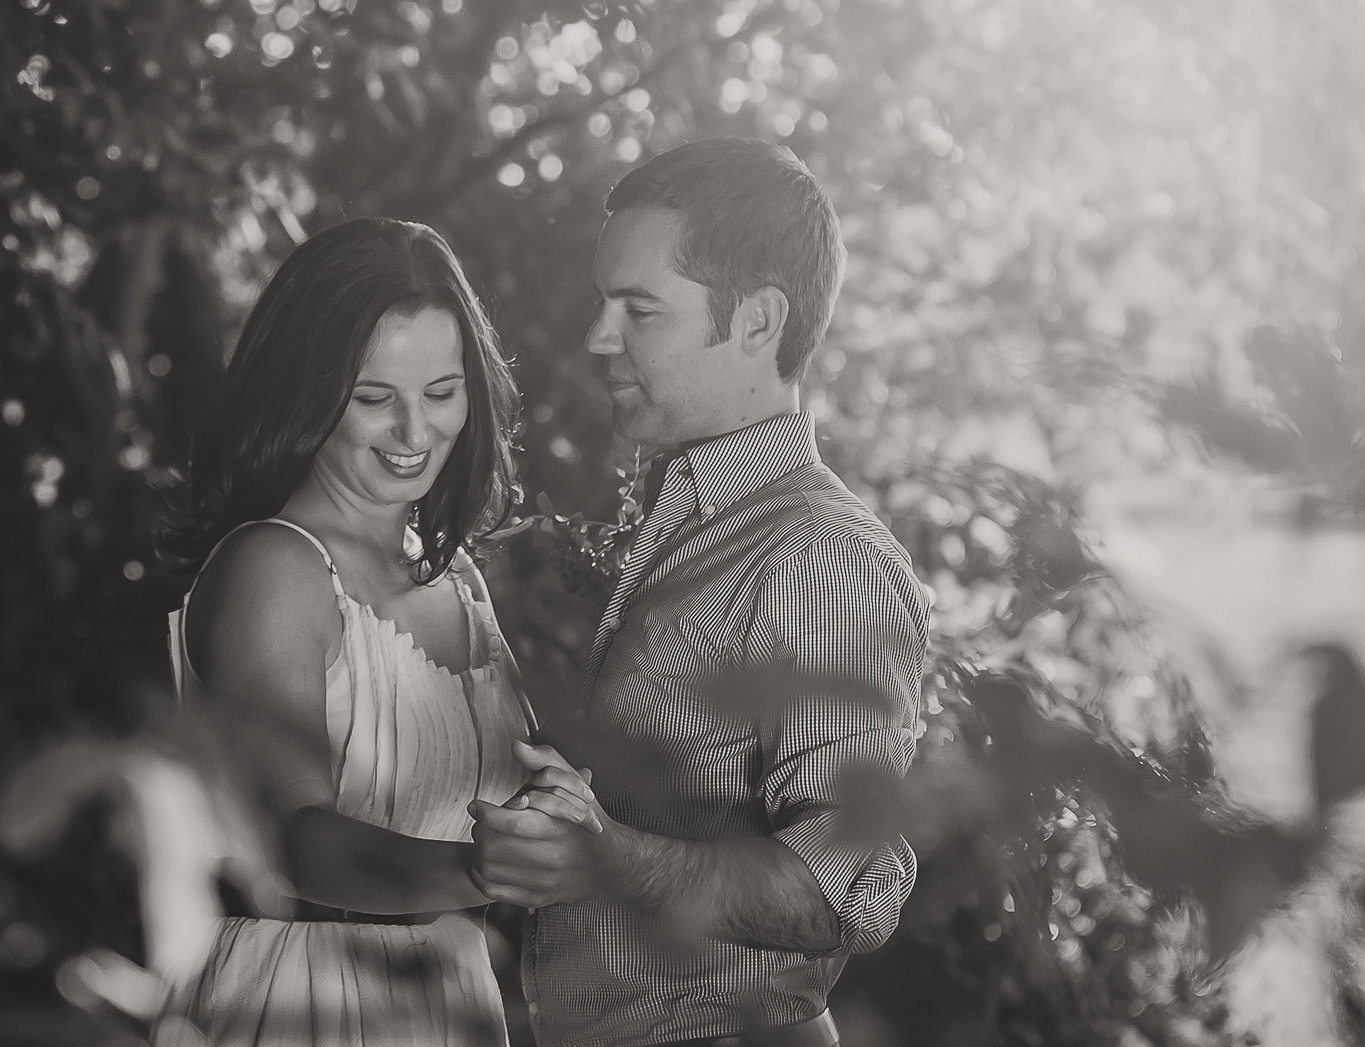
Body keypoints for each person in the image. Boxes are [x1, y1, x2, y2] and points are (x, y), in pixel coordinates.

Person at [471, 138, 932, 1047]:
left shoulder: (818, 557)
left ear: (757, 321)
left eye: (638, 310)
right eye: (605, 304)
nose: (598, 338)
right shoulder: (691, 521)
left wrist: (602, 857)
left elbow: (830, 893)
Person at [159, 216, 597, 1047]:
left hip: (447, 996)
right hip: (298, 1001)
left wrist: (560, 811)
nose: (414, 433)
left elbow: (502, 799)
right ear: (304, 395)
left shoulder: (457, 577)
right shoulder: (272, 568)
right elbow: (290, 838)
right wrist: (472, 871)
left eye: (440, 392)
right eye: (372, 399)